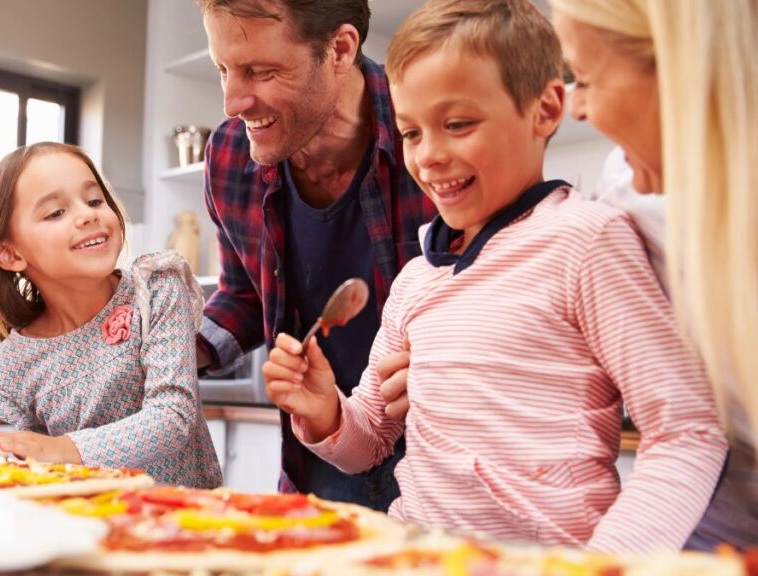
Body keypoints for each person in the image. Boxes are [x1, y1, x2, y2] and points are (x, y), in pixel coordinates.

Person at [263, 0, 727, 552]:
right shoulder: (415, 281)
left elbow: (687, 431)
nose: (429, 156)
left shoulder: (587, 241)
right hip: (417, 555)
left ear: (546, 108)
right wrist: (325, 412)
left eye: (457, 124)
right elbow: (371, 440)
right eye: (411, 133)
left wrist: (605, 566)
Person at [194, 0, 436, 511]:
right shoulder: (228, 154)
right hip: (317, 463)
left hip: (437, 468)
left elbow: (496, 280)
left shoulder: (431, 130)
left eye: (260, 71)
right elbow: (242, 293)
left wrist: (459, 356)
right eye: (222, 69)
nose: (233, 101)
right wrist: (180, 350)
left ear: (340, 49)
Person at [548, 0, 758, 550]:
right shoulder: (625, 191)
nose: (579, 110)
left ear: (684, 70)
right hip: (700, 544)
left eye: (587, 79)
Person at [0, 142, 222, 489]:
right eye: (56, 212)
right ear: (9, 255)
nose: (87, 215)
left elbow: (172, 418)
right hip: (88, 530)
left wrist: (63, 448)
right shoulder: (14, 365)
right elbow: (44, 469)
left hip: (188, 525)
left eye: (94, 200)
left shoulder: (155, 289)